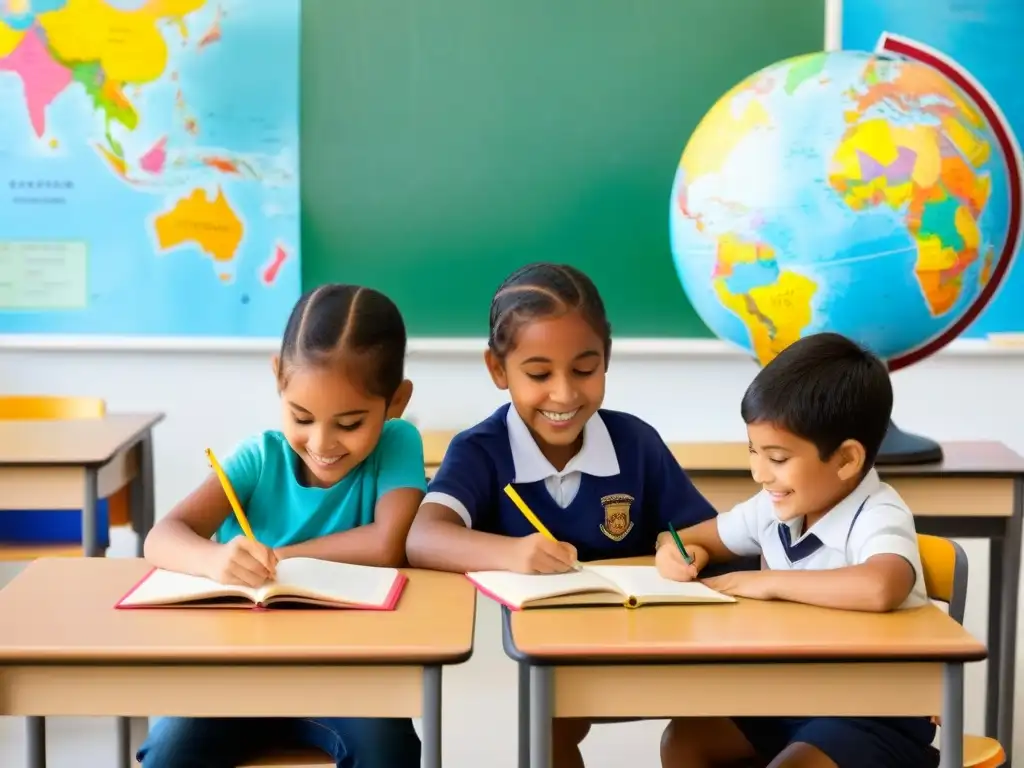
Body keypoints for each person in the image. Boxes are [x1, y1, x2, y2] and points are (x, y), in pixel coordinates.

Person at [405, 261, 718, 767]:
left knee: (709, 733)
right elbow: (423, 537)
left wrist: (683, 550)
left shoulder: (635, 443)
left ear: (607, 358)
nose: (565, 394)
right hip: (543, 667)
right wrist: (513, 553)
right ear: (497, 370)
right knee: (545, 731)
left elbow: (701, 535)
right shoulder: (480, 451)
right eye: (538, 374)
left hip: (647, 651)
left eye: (584, 369)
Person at [137, 284, 426, 768]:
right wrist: (212, 558)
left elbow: (387, 543)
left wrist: (281, 559)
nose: (322, 442)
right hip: (236, 675)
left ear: (396, 401)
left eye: (350, 423)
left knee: (387, 753)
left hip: (349, 679)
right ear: (278, 378)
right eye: (302, 416)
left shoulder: (398, 445)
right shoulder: (258, 457)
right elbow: (161, 536)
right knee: (166, 754)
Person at [657, 332, 937, 768]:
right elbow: (694, 536)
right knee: (685, 740)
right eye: (754, 451)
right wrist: (676, 551)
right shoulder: (776, 506)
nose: (760, 473)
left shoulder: (877, 512)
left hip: (874, 710)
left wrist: (767, 582)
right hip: (788, 697)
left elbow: (882, 586)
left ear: (846, 460)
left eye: (778, 457)